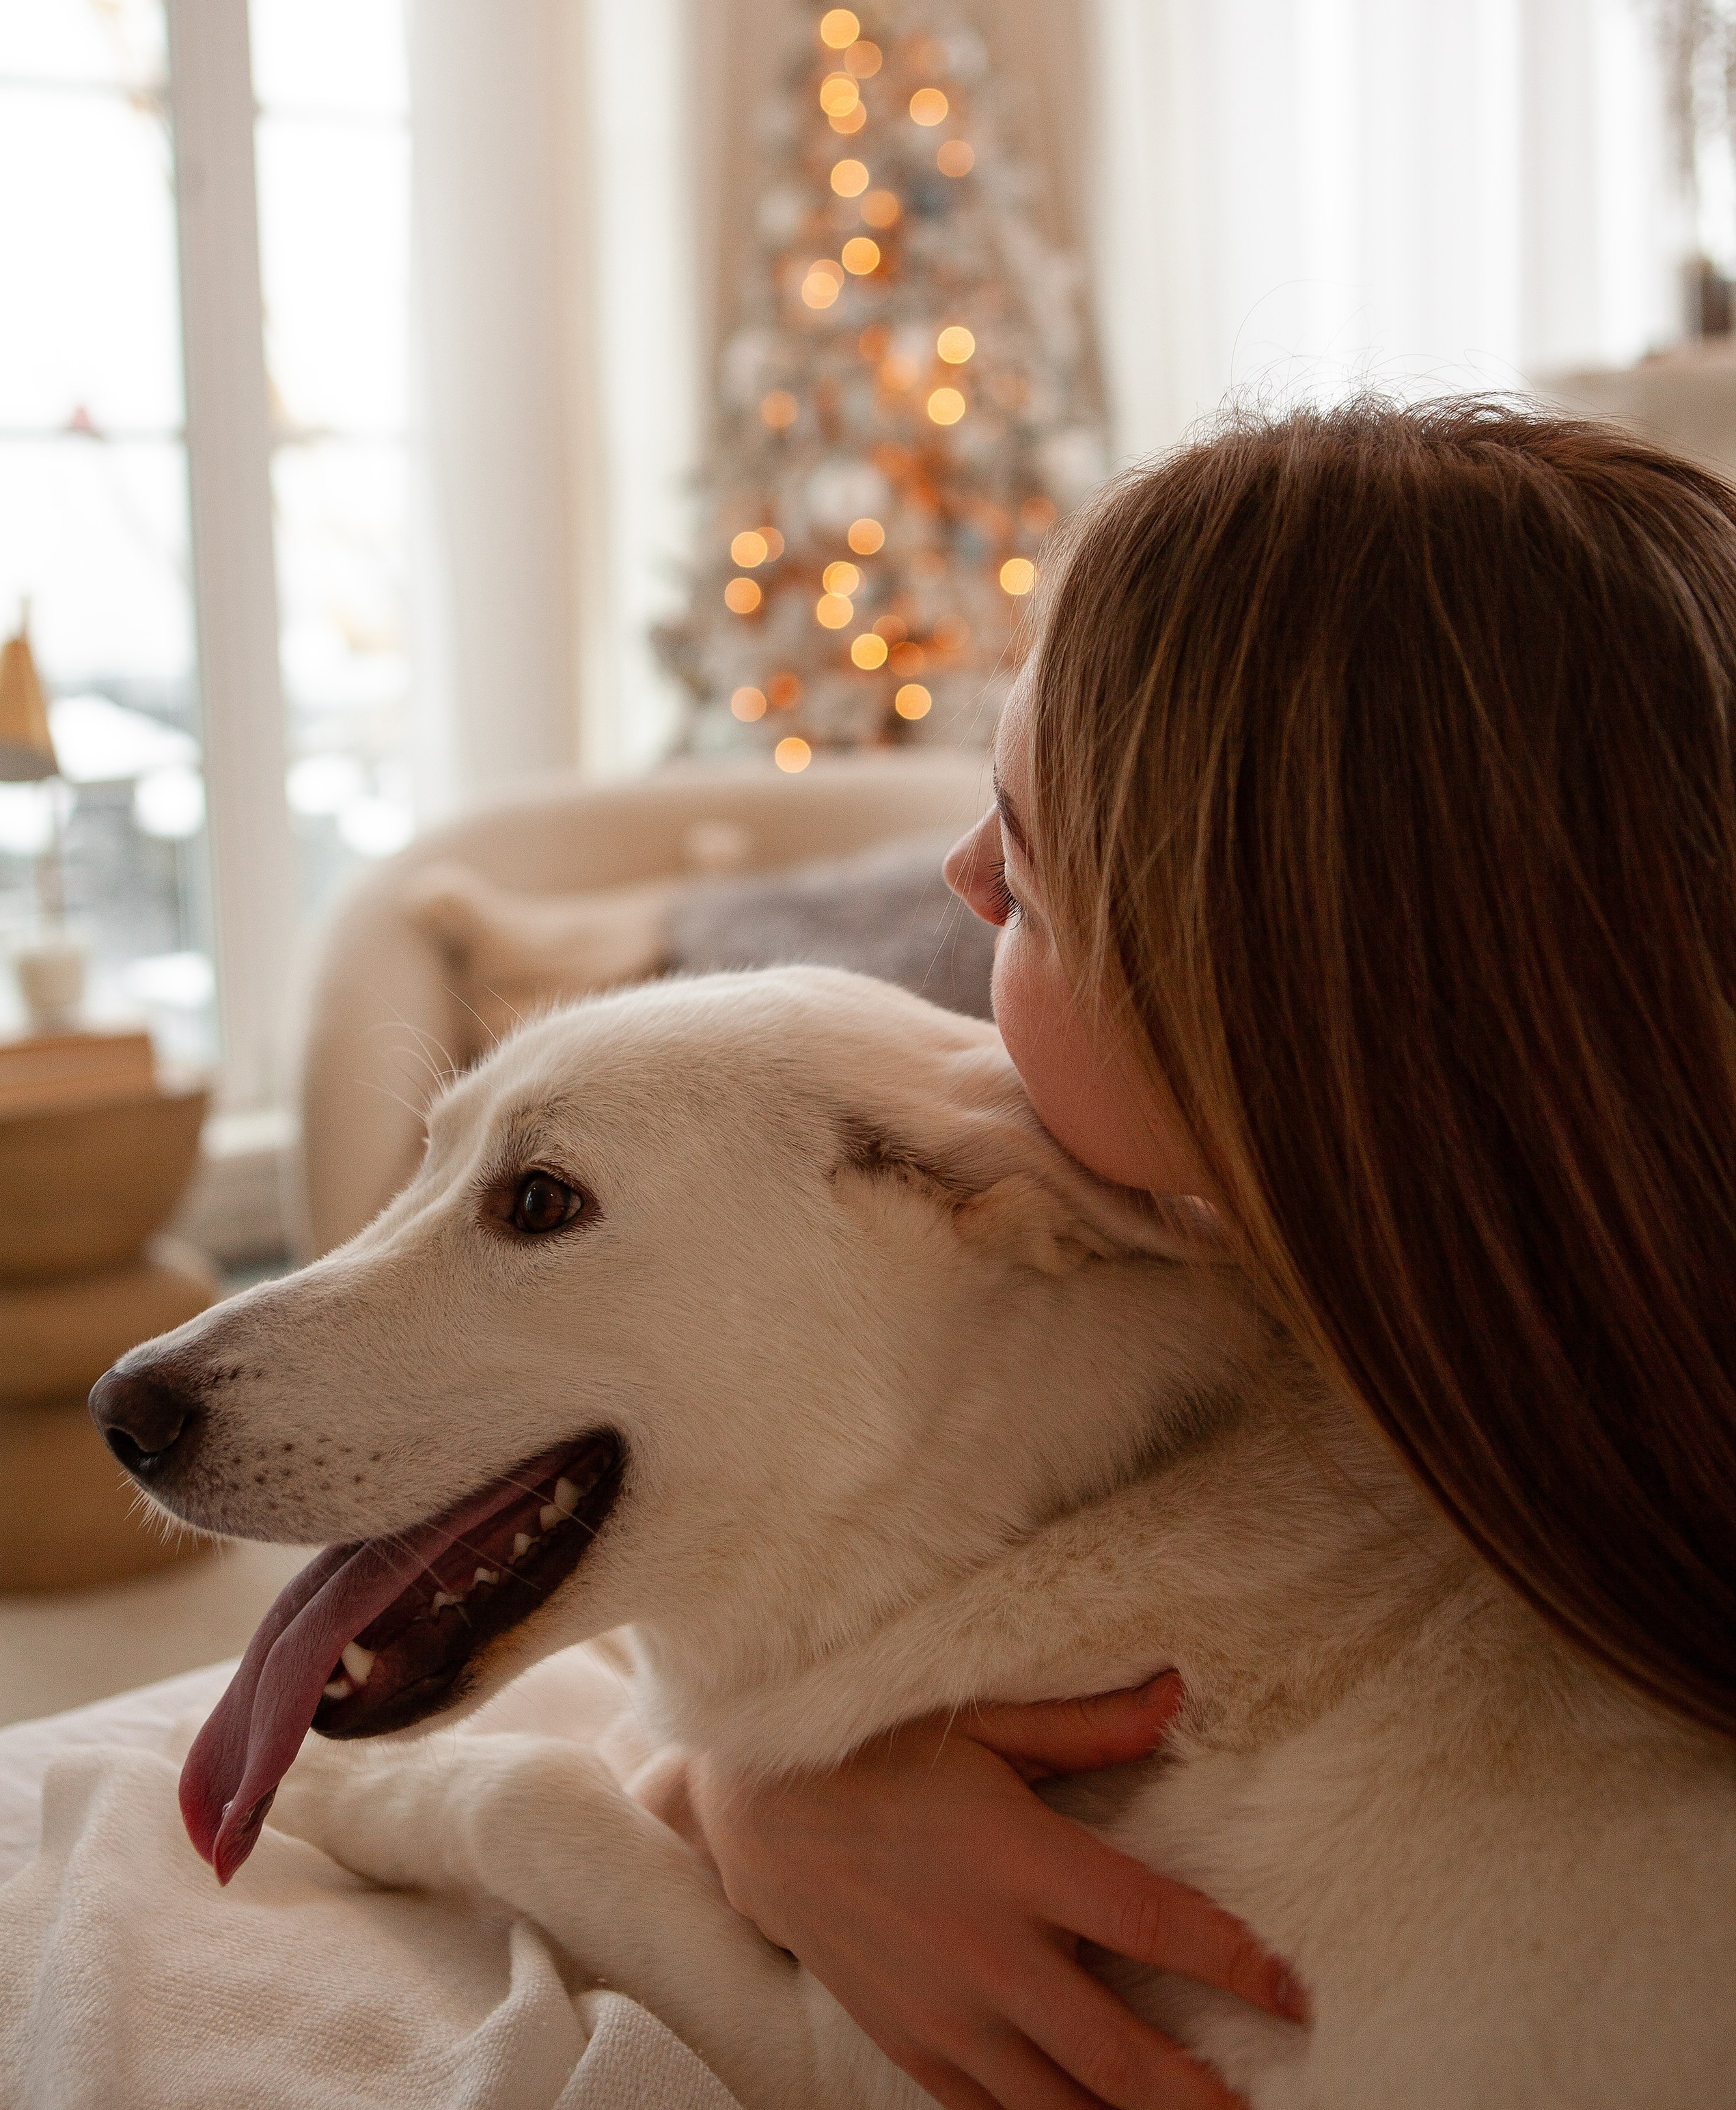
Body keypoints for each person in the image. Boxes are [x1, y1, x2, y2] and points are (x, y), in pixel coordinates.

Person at [640, 400, 1736, 2110]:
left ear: (1264, 1008)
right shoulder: (1377, 1304)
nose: (961, 875)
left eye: (1034, 868)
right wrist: (771, 1803)